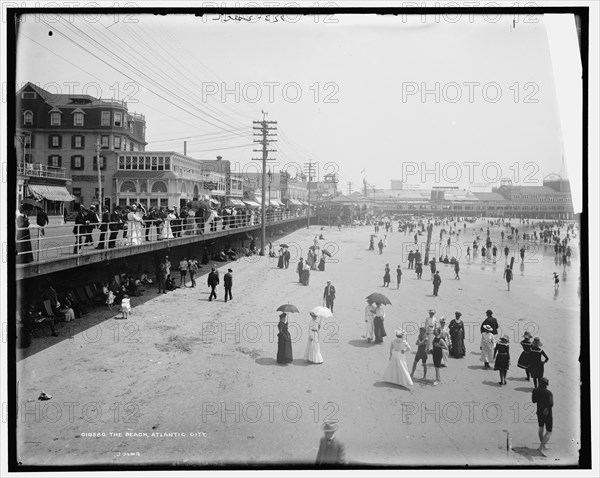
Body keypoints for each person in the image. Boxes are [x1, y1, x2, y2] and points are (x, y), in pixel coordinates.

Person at [532, 377, 553, 456]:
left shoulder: (535, 390)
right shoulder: (549, 393)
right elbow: (551, 404)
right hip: (547, 413)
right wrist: (547, 408)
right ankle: (541, 448)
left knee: (541, 428)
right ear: (547, 384)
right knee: (549, 431)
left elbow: (533, 401)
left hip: (539, 412)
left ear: (540, 383)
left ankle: (543, 444)